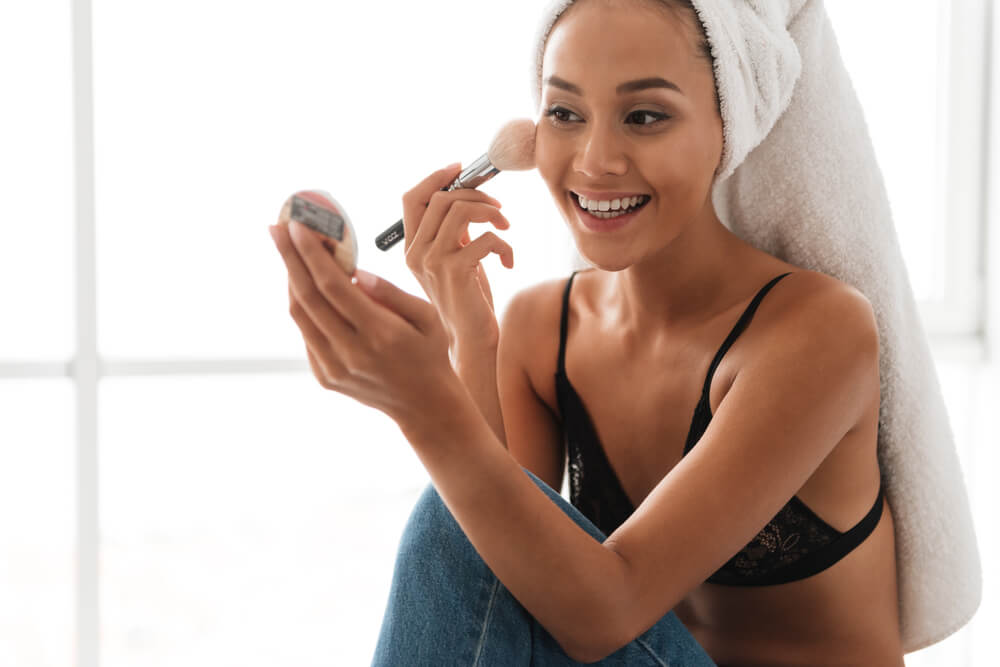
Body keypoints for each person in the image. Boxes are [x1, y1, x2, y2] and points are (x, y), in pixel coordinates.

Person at [269, 0, 907, 664]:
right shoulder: (541, 332)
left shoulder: (816, 331)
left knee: (448, 510)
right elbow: (485, 579)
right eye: (565, 114)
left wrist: (424, 407)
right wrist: (470, 339)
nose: (595, 161)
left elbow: (608, 611)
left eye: (646, 116)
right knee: (454, 520)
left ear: (729, 124)